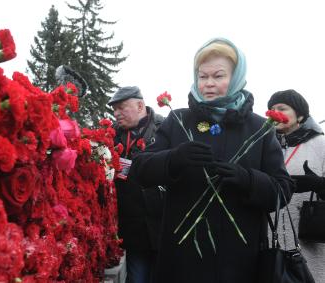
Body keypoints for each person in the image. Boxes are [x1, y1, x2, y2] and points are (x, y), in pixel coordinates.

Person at [129, 38, 294, 283]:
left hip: (240, 263)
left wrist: (248, 180)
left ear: (236, 76)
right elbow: (140, 171)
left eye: (218, 76)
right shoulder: (178, 121)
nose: (208, 84)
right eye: (202, 76)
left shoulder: (260, 128)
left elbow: (282, 190)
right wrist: (173, 159)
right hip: (181, 263)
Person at [108, 86, 165, 283]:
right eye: (114, 109)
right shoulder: (111, 135)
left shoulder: (164, 129)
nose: (116, 114)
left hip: (162, 225)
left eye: (121, 108)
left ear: (140, 105)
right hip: (133, 227)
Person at [268, 89, 325, 282]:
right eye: (271, 109)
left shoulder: (321, 144)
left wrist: (319, 185)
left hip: (310, 244)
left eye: (282, 108)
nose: (275, 112)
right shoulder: (264, 146)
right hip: (270, 242)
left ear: (300, 115)